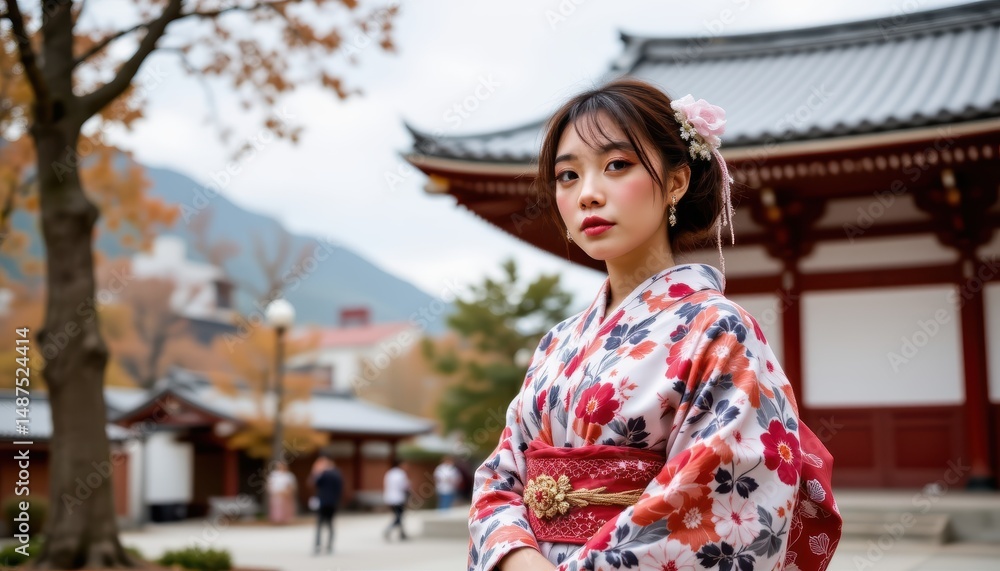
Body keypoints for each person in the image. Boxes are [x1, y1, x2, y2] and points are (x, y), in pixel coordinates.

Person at [468, 78, 842, 571]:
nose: (588, 195)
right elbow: (500, 478)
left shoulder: (719, 329)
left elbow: (722, 501)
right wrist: (516, 557)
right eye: (567, 176)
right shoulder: (556, 343)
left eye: (616, 165)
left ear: (676, 181)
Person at [310, 455, 343, 555]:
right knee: (330, 524)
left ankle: (318, 545)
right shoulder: (337, 473)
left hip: (323, 501)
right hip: (333, 502)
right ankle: (329, 545)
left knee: (320, 524)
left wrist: (316, 471)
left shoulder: (323, 474)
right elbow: (340, 488)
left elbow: (314, 483)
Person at [383, 459, 411, 541]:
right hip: (398, 498)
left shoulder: (389, 473)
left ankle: (402, 534)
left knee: (399, 516)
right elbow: (404, 486)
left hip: (390, 497)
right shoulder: (401, 474)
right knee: (399, 517)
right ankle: (388, 529)